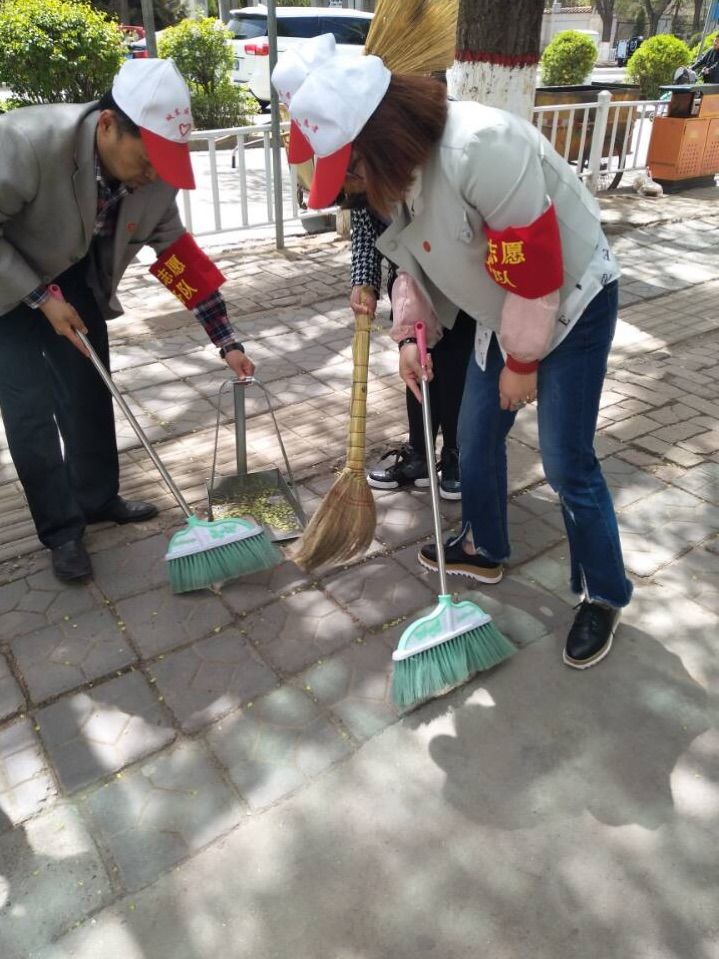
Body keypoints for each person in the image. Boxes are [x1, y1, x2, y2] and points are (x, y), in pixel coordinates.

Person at [272, 46, 633, 671]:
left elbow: (535, 273)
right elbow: (412, 269)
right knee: (473, 433)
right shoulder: (389, 178)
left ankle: (603, 592)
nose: (349, 188)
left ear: (375, 139)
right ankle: (485, 546)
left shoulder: (481, 147)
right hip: (503, 310)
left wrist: (523, 363)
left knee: (566, 459)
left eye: (348, 171)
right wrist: (412, 335)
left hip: (571, 299)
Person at [0, 58, 254, 582]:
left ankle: (96, 498)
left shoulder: (155, 180)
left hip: (73, 275)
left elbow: (179, 257)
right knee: (30, 409)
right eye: (149, 156)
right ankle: (62, 531)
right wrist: (36, 296)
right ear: (109, 125)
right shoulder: (26, 142)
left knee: (91, 387)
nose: (155, 173)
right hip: (7, 282)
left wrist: (226, 340)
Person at [348, 198, 474, 499]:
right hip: (408, 280)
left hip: (457, 278)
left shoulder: (416, 169)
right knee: (416, 365)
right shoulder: (359, 185)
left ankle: (456, 455)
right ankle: (420, 455)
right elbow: (366, 233)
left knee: (454, 366)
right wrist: (365, 281)